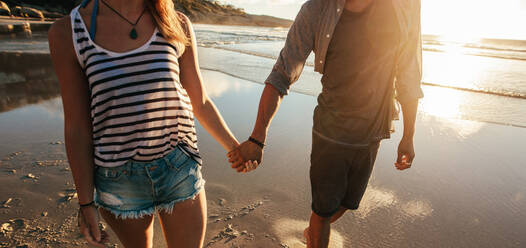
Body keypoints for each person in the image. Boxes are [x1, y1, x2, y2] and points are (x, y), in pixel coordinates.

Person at [48, 0, 245, 247]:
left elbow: (200, 100)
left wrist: (234, 147)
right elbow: (77, 127)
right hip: (118, 177)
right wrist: (85, 202)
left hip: (178, 167)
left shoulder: (175, 21)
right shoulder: (69, 31)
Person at [228, 0, 424, 247]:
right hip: (330, 129)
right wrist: (258, 137)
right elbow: (282, 73)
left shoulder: (404, 5)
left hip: (375, 129)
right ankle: (316, 232)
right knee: (322, 211)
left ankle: (313, 231)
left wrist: (408, 137)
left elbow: (410, 75)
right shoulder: (318, 8)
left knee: (348, 204)